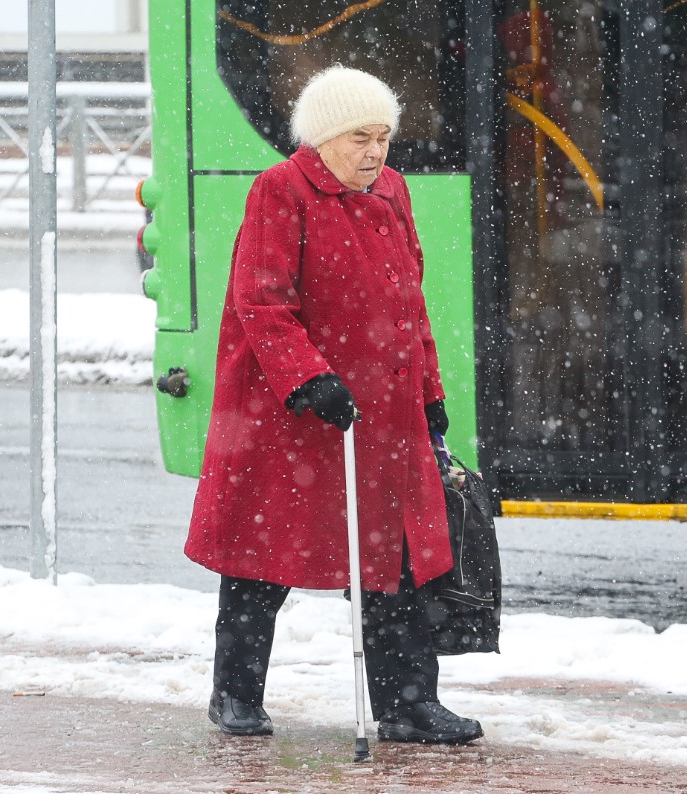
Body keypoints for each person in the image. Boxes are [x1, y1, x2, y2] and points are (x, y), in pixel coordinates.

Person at [183, 65, 482, 745]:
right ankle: (234, 694)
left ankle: (408, 706)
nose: (374, 152)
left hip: (383, 414)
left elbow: (411, 308)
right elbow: (261, 301)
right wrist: (308, 378)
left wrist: (428, 394)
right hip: (291, 417)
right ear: (322, 138)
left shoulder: (394, 192)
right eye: (359, 137)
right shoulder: (281, 191)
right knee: (264, 556)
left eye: (382, 137)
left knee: (393, 560)